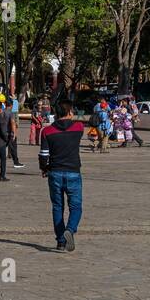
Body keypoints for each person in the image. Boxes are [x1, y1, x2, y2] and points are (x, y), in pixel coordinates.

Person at [39, 100, 85, 252]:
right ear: (70, 112)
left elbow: (44, 154)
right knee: (76, 206)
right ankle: (70, 230)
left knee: (58, 207)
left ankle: (60, 241)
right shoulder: (78, 128)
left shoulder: (47, 131)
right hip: (73, 171)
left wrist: (44, 168)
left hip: (55, 172)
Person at [5, 101, 25, 169]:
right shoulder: (11, 112)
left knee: (2, 147)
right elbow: (14, 122)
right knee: (13, 147)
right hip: (10, 133)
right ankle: (16, 163)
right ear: (11, 105)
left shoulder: (2, 112)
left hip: (4, 132)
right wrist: (14, 133)